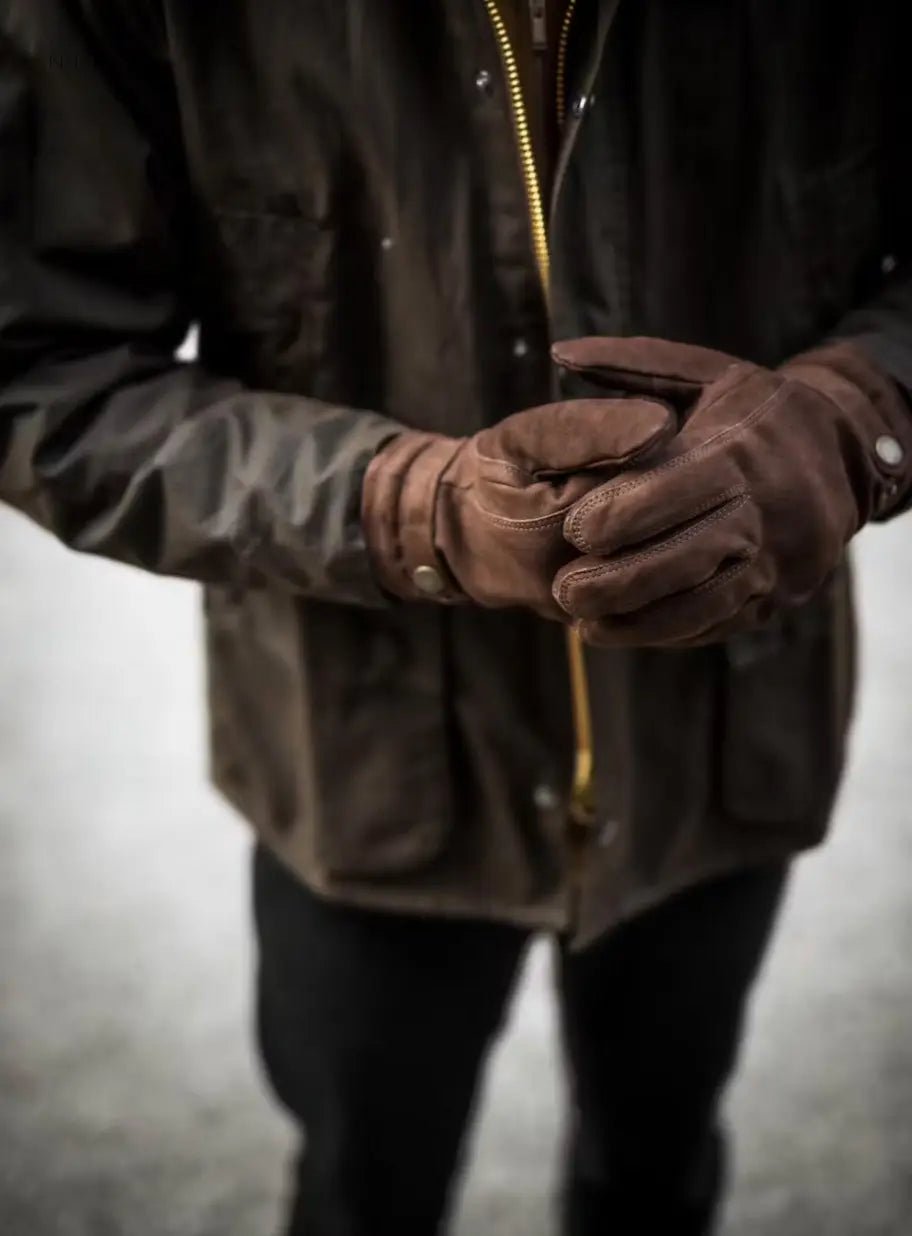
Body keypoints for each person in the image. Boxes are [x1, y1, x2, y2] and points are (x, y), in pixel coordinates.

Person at [2, 2, 910, 1233]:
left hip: (723, 735)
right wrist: (407, 510)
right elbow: (44, 368)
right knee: (364, 1184)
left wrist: (852, 423)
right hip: (365, 750)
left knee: (659, 1161)